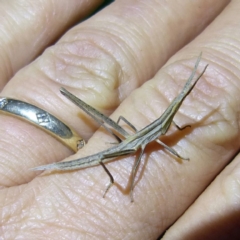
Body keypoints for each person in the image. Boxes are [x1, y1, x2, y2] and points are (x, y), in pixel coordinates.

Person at [0, 0, 239, 239]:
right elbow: (163, 143)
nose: (177, 105)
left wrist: (179, 126)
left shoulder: (167, 126)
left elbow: (166, 129)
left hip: (134, 137)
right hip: (130, 144)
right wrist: (173, 157)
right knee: (115, 163)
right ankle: (110, 180)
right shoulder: (161, 138)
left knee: (136, 130)